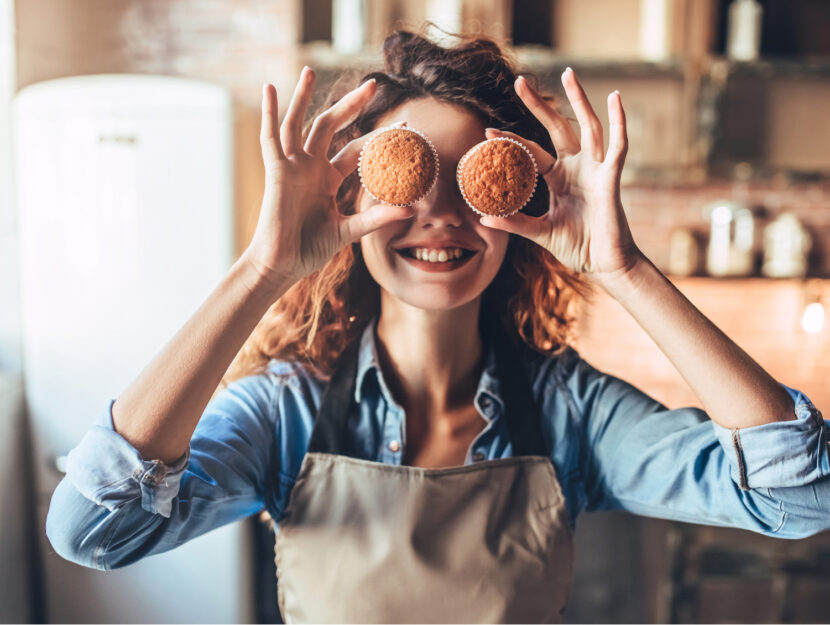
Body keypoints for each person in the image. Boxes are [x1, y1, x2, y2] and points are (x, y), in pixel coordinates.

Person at [46, 30, 829, 623]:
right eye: (412, 177)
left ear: (516, 209)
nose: (442, 215)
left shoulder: (571, 414)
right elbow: (94, 529)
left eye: (473, 183)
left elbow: (802, 498)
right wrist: (265, 269)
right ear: (355, 202)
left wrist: (624, 270)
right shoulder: (284, 415)